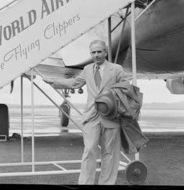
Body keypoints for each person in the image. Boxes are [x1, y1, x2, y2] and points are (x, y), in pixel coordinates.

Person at [43, 40, 127, 185]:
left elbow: (125, 88)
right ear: (91, 54)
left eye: (99, 51)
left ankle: (106, 183)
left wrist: (115, 101)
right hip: (92, 116)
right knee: (89, 150)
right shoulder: (88, 69)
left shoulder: (117, 69)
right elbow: (75, 83)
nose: (96, 55)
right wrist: (53, 81)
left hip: (111, 116)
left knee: (109, 152)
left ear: (105, 52)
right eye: (93, 52)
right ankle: (85, 183)